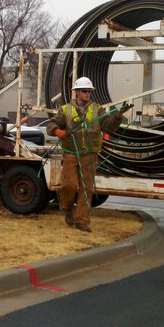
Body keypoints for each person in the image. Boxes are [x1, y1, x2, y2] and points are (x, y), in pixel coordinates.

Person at [46, 77, 130, 232]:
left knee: (86, 188)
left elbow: (108, 127)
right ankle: (67, 209)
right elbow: (51, 124)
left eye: (89, 91)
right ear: (77, 92)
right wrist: (58, 131)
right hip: (71, 153)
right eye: (84, 91)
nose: (87, 94)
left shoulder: (97, 109)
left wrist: (118, 116)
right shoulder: (66, 110)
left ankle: (82, 220)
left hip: (90, 154)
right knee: (69, 185)